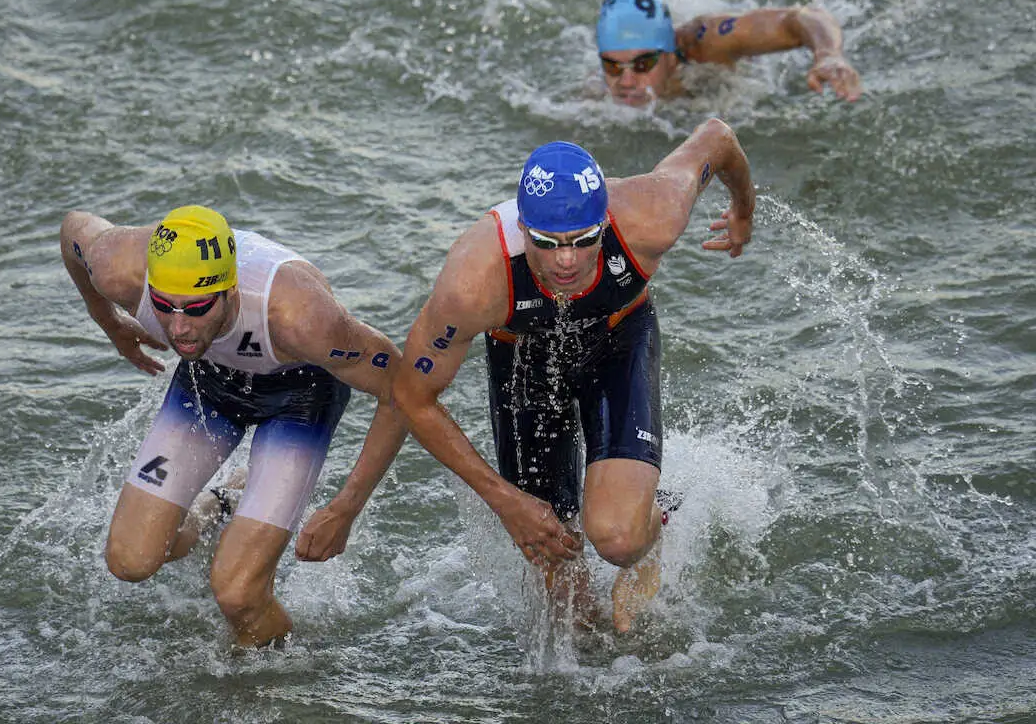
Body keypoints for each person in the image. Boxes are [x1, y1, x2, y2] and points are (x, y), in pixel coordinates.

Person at [391, 119, 755, 632]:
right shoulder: (473, 282)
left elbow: (717, 137)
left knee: (619, 539)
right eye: (547, 242)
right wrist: (505, 501)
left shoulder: (652, 213)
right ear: (522, 228)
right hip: (524, 360)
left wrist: (743, 210)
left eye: (584, 240)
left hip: (618, 338)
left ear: (604, 222)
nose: (566, 260)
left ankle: (656, 518)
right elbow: (412, 395)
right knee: (566, 597)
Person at [59, 204, 408, 647]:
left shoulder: (301, 317)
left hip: (299, 394)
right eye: (164, 306)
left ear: (231, 290)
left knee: (238, 595)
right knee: (130, 560)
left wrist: (346, 508)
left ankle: (278, 679)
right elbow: (73, 228)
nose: (178, 328)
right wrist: (109, 321)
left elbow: (401, 390)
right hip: (210, 376)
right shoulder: (118, 265)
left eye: (196, 308)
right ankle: (222, 503)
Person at [596, 0, 862, 106]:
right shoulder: (596, 97)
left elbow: (804, 17)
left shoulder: (708, 42)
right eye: (613, 67)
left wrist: (828, 55)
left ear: (669, 53)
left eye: (643, 64)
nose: (626, 81)